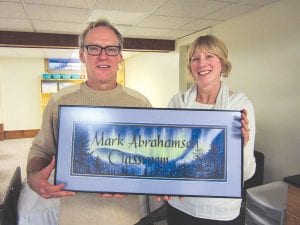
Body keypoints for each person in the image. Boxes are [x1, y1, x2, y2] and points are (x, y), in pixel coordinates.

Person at [26, 19, 151, 225]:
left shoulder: (140, 103)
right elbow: (41, 150)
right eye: (94, 48)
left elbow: (151, 160)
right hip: (75, 218)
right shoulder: (60, 101)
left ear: (120, 56)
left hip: (127, 219)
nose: (103, 55)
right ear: (82, 55)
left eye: (111, 49)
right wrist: (33, 177)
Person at [163, 35, 256, 225]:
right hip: (180, 205)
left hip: (220, 212)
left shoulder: (239, 105)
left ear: (222, 62)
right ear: (190, 66)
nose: (201, 63)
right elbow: (167, 157)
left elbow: (246, 174)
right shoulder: (177, 103)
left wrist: (242, 148)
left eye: (209, 56)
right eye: (195, 58)